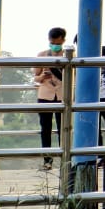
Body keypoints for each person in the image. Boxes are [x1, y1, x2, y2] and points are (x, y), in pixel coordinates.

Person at [32, 27, 65, 171]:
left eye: (57, 43)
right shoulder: (41, 55)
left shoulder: (69, 55)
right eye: (52, 42)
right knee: (45, 129)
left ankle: (65, 159)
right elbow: (35, 77)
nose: (55, 45)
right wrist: (42, 76)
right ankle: (47, 160)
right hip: (45, 95)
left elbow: (75, 75)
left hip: (63, 96)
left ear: (63, 40)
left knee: (63, 129)